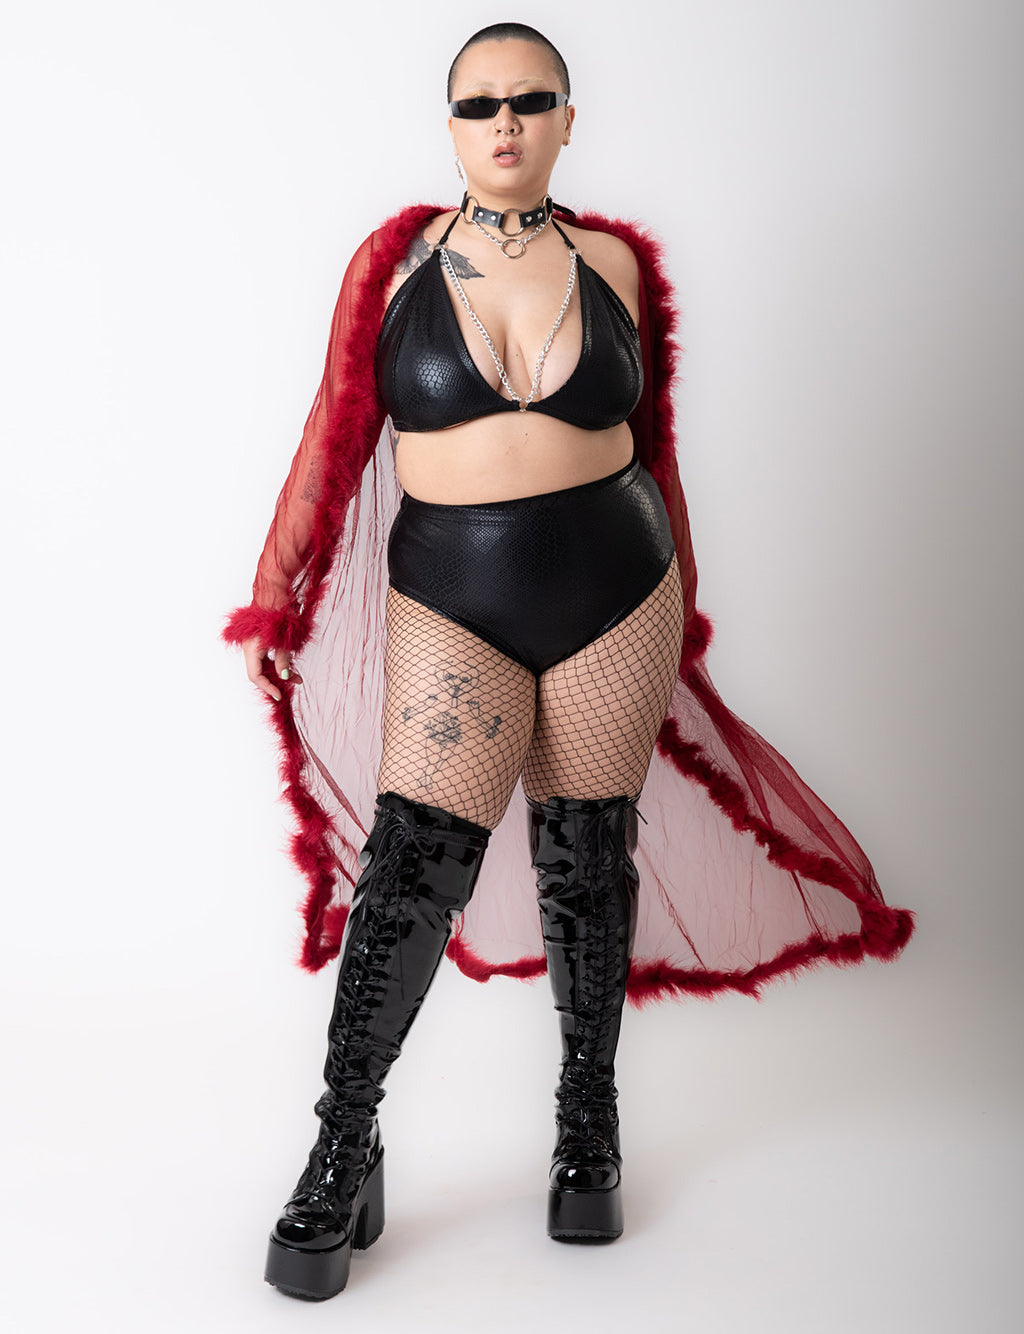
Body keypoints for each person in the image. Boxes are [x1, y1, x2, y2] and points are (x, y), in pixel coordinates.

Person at [221, 22, 916, 1301]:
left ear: (564, 120)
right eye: (478, 103)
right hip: (454, 595)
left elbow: (656, 446)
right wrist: (276, 595)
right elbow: (334, 431)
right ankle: (342, 1141)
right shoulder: (393, 262)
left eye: (528, 100)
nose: (504, 122)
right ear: (450, 125)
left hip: (617, 588)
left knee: (589, 857)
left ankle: (587, 1127)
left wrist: (686, 608)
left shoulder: (616, 264)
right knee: (412, 863)